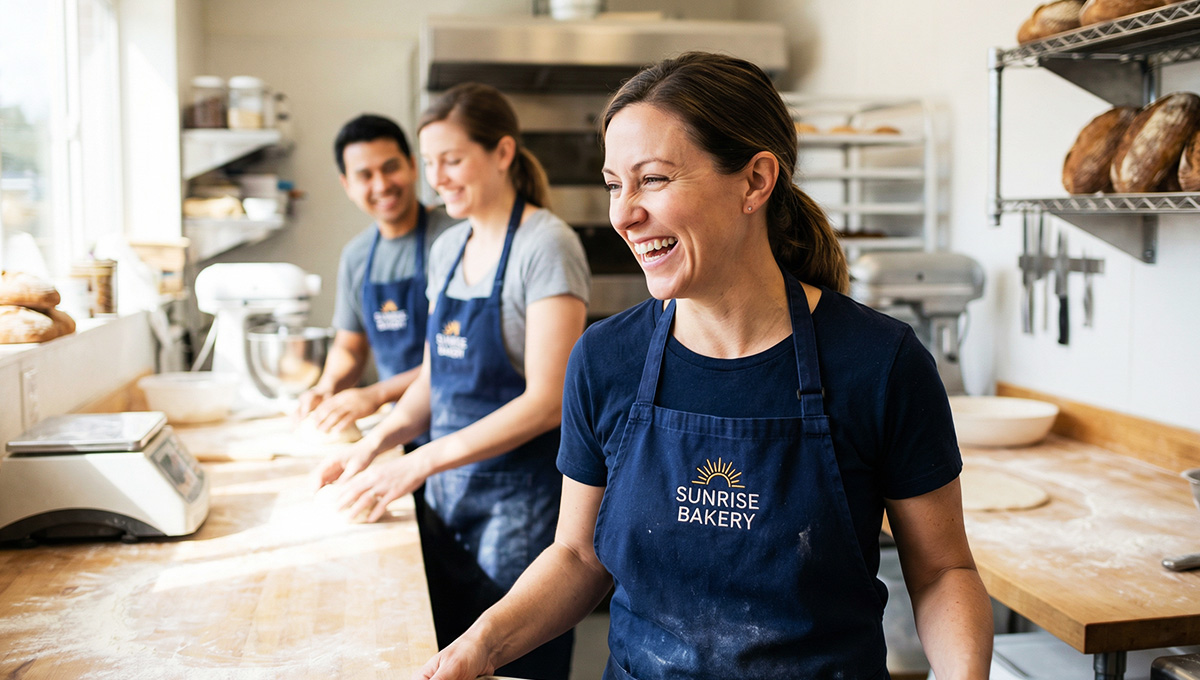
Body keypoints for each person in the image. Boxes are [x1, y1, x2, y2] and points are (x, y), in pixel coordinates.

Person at [412, 52, 994, 680]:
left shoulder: (879, 363)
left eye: (654, 180)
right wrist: (482, 646)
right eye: (615, 183)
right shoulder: (606, 360)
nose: (623, 213)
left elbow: (941, 572)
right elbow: (579, 556)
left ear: (754, 182)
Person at [312, 83, 590, 680]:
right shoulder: (449, 248)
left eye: (453, 159)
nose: (437, 177)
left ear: (503, 152)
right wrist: (373, 445)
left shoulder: (546, 246)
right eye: (430, 161)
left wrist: (417, 464)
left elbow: (547, 402)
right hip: (447, 502)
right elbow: (438, 378)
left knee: (517, 667)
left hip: (520, 510)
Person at [296, 114, 458, 440]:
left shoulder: (456, 238)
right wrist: (327, 387)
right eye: (365, 175)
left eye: (390, 167)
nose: (382, 185)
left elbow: (457, 355)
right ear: (347, 185)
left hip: (460, 427)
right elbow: (350, 347)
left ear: (413, 166)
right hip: (399, 431)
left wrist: (375, 394)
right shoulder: (357, 257)